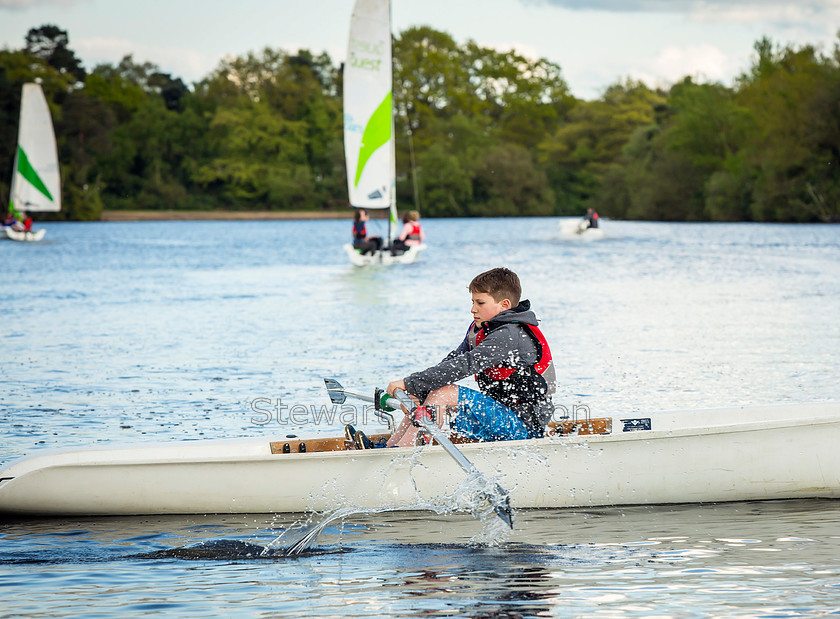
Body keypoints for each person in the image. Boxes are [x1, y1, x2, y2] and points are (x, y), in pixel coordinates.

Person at [381, 267, 556, 448]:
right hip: (499, 417)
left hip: (524, 429)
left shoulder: (509, 334)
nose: (473, 309)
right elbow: (452, 362)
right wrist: (418, 392)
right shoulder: (482, 329)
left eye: (480, 303)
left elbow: (465, 365)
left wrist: (410, 383)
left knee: (443, 394)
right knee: (431, 395)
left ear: (504, 305)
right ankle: (391, 448)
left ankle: (403, 455)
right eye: (473, 302)